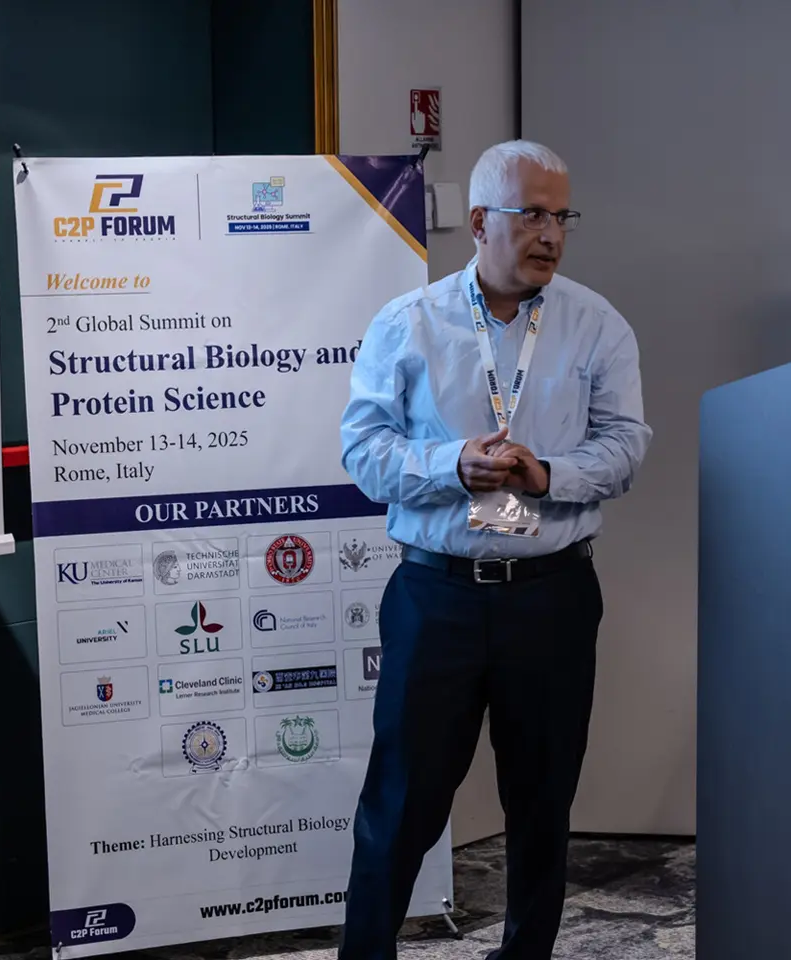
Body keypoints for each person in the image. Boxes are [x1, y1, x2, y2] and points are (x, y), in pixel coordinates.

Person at [337, 140, 651, 959]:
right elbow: (363, 453)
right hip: (436, 598)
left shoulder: (596, 324)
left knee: (543, 803)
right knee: (401, 803)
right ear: (480, 223)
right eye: (532, 215)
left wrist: (549, 475)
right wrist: (451, 465)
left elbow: (626, 447)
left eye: (563, 216)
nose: (552, 234)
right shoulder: (408, 323)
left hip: (551, 596)